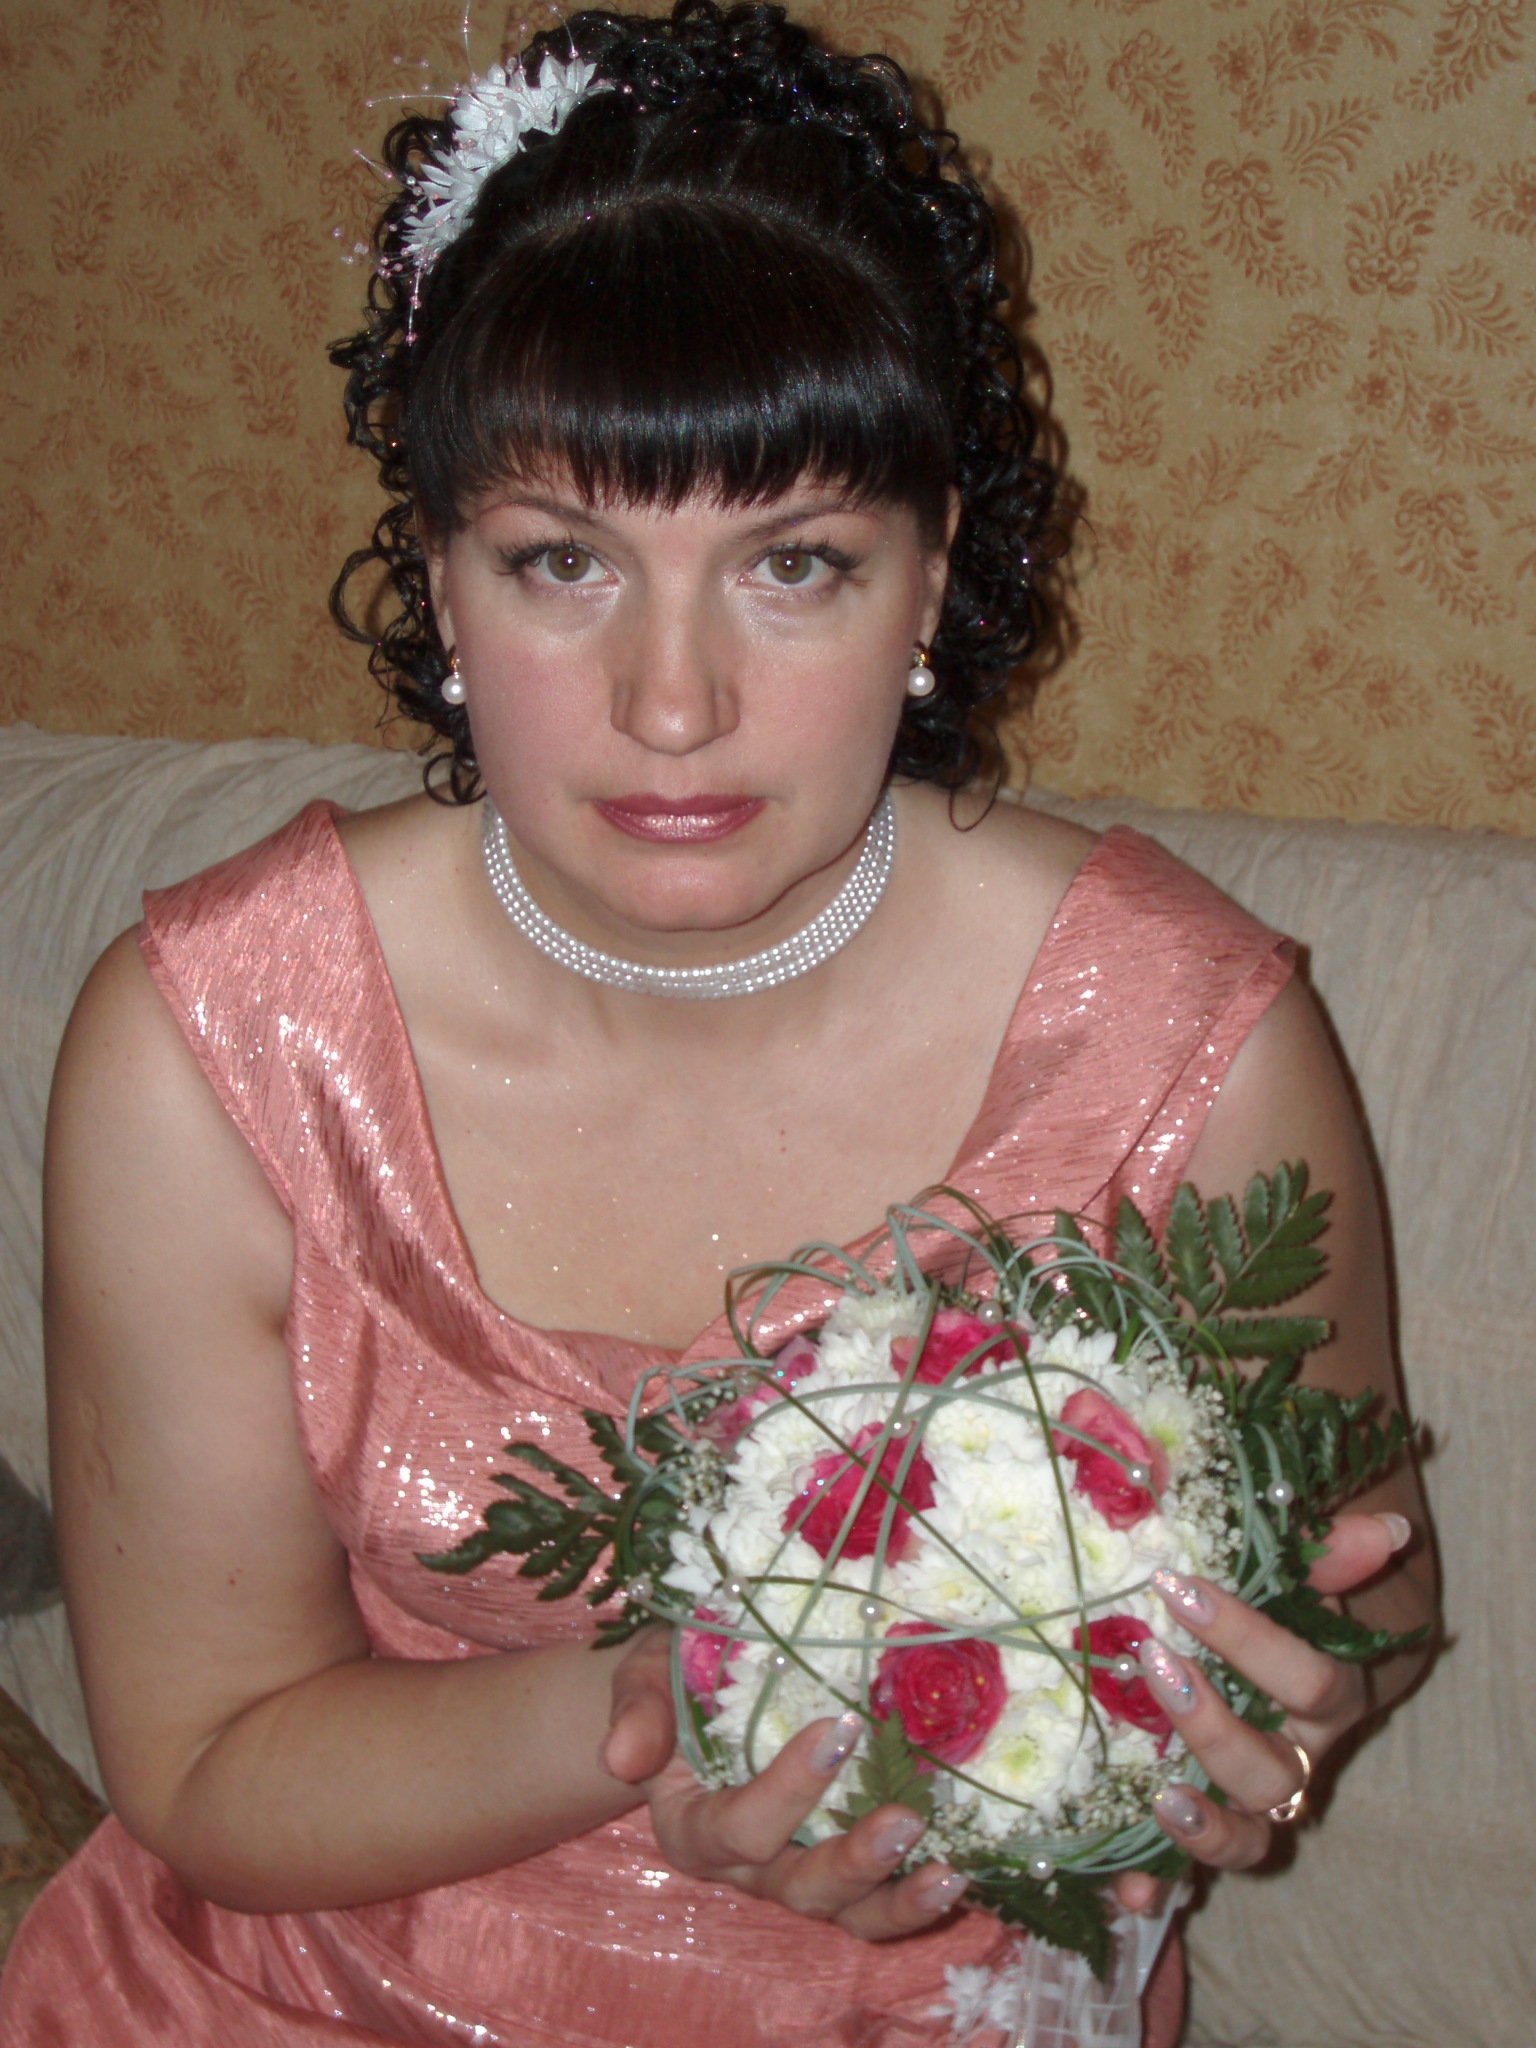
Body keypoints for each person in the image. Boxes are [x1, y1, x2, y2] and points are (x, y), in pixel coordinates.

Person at [1, 4, 1435, 2042]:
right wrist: (666, 1704)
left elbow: (1373, 1580)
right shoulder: (212, 1050)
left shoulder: (1185, 1042)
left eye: (796, 564)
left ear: (929, 583)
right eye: (561, 561)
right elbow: (213, 1762)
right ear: (442, 578)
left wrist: (1276, 1703)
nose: (672, 705)